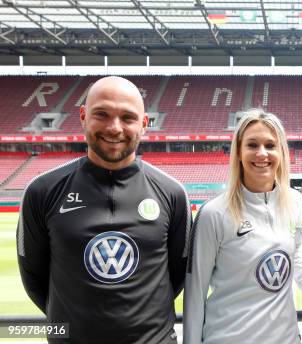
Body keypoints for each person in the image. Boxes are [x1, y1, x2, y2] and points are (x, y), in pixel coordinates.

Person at [17, 76, 191, 343]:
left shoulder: (172, 194)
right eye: (102, 114)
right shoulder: (42, 191)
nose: (114, 127)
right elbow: (35, 279)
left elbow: (177, 277)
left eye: (128, 117)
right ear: (84, 116)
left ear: (144, 125)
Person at [183, 109, 302, 344]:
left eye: (270, 145)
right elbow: (195, 291)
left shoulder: (295, 202)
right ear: (239, 153)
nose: (262, 153)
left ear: (281, 152)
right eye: (252, 145)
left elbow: (297, 257)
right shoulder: (214, 213)